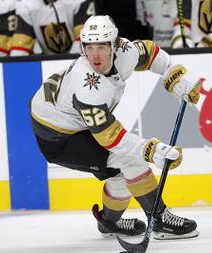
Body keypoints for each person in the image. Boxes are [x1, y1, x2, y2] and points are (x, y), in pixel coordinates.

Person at [30, 15, 202, 239]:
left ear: (114, 44)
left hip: (71, 119)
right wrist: (150, 150)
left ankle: (110, 222)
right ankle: (158, 218)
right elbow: (108, 137)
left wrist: (173, 75)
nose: (95, 55)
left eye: (101, 46)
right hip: (56, 135)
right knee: (129, 159)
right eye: (89, 47)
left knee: (119, 171)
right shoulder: (88, 85)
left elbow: (150, 53)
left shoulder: (125, 51)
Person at [10, 0, 95, 56]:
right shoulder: (26, 5)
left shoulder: (79, 1)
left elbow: (85, 39)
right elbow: (19, 50)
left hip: (80, 60)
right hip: (47, 61)